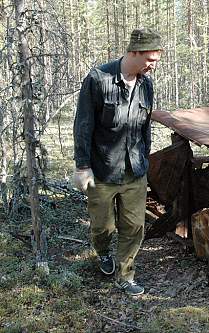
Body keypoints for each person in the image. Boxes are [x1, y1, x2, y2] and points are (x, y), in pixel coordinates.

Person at [73, 28, 162, 296]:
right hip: (101, 170)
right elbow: (83, 125)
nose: (153, 66)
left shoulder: (146, 84)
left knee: (134, 226)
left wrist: (145, 157)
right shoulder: (98, 79)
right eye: (150, 59)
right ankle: (102, 253)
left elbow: (145, 126)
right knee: (103, 227)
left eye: (156, 60)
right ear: (133, 52)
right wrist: (82, 166)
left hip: (134, 171)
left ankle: (126, 275)